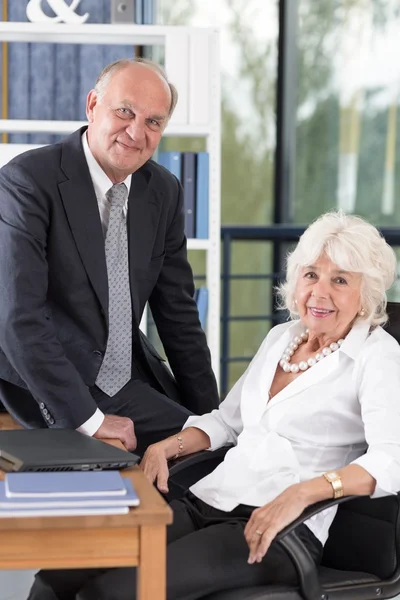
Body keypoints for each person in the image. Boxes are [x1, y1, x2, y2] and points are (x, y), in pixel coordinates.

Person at [44, 210, 400, 600]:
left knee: (112, 593)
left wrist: (304, 493)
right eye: (311, 274)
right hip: (210, 498)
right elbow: (227, 422)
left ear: (366, 292)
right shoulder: (283, 337)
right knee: (60, 571)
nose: (319, 291)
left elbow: (392, 461)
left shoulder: (376, 355)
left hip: (276, 529)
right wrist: (168, 446)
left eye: (340, 280)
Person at [0, 57, 219, 457]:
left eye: (154, 122)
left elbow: (178, 314)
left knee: (219, 448)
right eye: (125, 111)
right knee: (208, 464)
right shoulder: (27, 180)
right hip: (47, 379)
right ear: (92, 105)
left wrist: (213, 419)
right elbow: (19, 319)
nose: (136, 132)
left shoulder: (162, 191)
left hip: (127, 372)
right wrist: (91, 420)